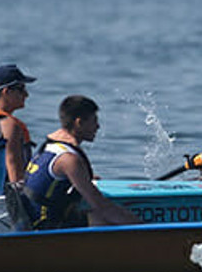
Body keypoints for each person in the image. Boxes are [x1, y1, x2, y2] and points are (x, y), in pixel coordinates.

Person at [19, 94, 138, 228]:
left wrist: (84, 180)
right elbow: (101, 205)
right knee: (102, 218)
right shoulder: (69, 159)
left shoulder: (50, 145)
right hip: (44, 226)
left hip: (34, 218)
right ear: (79, 122)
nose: (98, 126)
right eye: (94, 121)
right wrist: (141, 227)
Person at [0, 63, 37, 183]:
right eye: (21, 89)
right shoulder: (10, 126)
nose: (26, 95)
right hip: (5, 194)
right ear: (6, 92)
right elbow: (15, 173)